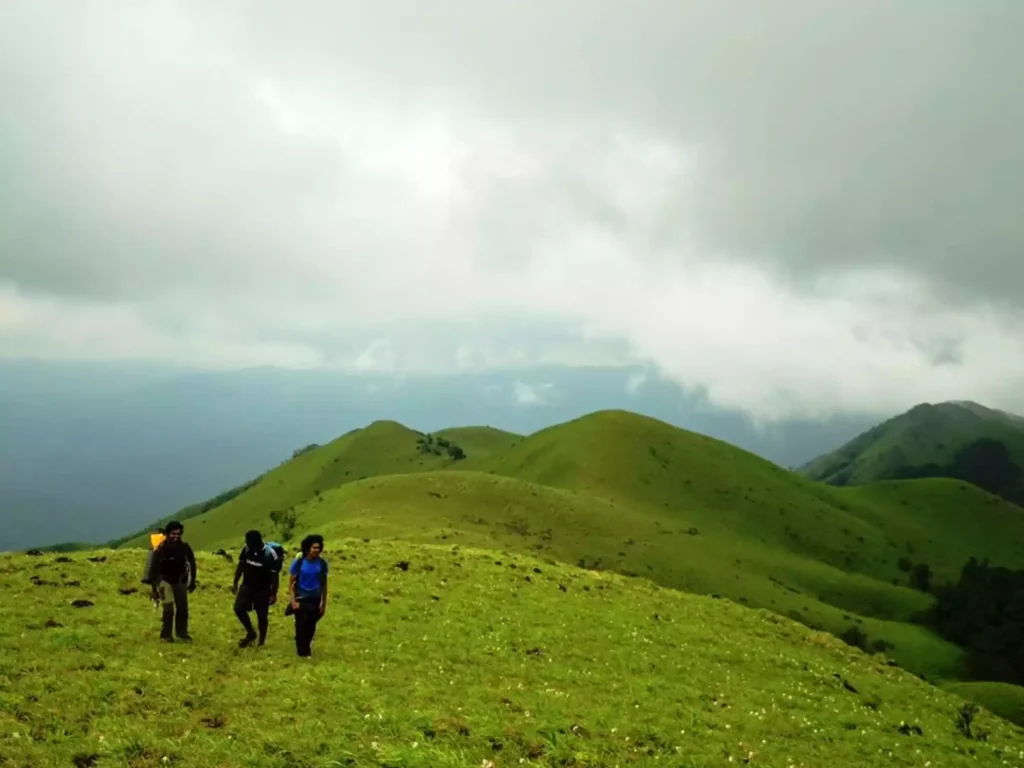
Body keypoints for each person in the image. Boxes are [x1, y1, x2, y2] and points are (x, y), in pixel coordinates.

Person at [231, 529, 283, 647]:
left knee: (262, 616)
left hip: (263, 589)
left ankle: (262, 642)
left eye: (250, 543)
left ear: (257, 543)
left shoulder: (269, 554)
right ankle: (251, 632)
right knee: (238, 609)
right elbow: (241, 565)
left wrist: (273, 594)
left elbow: (275, 577)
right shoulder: (246, 549)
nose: (247, 545)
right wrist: (235, 582)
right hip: (247, 585)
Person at [148, 521, 196, 642]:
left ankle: (182, 633)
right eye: (173, 534)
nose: (176, 536)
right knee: (168, 608)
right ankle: (166, 635)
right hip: (164, 581)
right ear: (168, 534)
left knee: (182, 608)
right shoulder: (161, 549)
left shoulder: (185, 548)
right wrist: (154, 589)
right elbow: (154, 569)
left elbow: (192, 564)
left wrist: (193, 581)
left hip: (180, 580)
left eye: (179, 534)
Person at [286, 534, 328, 657]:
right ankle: (302, 651)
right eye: (314, 547)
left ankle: (306, 647)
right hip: (301, 598)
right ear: (308, 548)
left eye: (318, 548)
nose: (317, 550)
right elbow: (290, 583)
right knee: (300, 625)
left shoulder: (322, 564)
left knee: (311, 626)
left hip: (315, 599)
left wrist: (323, 604)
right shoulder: (299, 562)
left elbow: (324, 585)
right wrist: (293, 601)